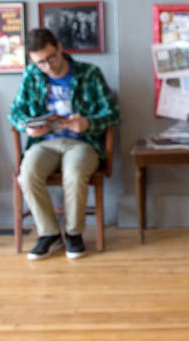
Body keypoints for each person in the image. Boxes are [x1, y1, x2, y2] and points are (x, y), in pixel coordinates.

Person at [8, 28, 119, 260]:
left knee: (75, 172)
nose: (48, 66)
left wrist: (87, 123)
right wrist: (27, 126)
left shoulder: (89, 73)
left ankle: (73, 234)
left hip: (82, 142)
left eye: (51, 58)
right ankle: (49, 234)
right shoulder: (32, 75)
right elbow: (15, 112)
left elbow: (112, 113)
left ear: (59, 47)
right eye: (40, 62)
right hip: (44, 142)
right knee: (27, 174)